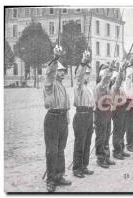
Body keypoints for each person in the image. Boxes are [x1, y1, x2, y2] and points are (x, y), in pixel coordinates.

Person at [43, 45, 71, 192]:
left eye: (63, 71)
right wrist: (55, 59)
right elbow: (49, 73)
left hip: (62, 120)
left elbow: (66, 106)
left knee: (61, 149)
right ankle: (51, 180)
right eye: (60, 71)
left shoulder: (63, 86)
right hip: (52, 119)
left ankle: (59, 176)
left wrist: (67, 117)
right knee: (52, 151)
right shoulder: (50, 84)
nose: (63, 73)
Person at [72, 50, 95, 178]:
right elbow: (78, 76)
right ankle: (76, 168)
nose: (87, 76)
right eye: (86, 74)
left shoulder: (89, 89)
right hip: (80, 116)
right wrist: (83, 62)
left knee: (87, 143)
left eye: (88, 74)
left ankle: (84, 166)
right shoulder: (78, 86)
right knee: (80, 143)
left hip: (89, 116)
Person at [94, 61, 116, 168]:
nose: (109, 79)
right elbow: (105, 81)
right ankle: (100, 158)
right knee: (101, 137)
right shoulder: (100, 86)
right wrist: (109, 70)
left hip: (107, 113)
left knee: (107, 136)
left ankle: (106, 156)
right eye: (107, 77)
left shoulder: (107, 87)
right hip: (100, 113)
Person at [111, 61, 131, 160]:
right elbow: (119, 81)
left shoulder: (121, 88)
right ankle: (116, 151)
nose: (118, 81)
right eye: (115, 79)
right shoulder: (113, 88)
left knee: (122, 130)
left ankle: (122, 149)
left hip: (123, 110)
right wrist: (121, 70)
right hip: (117, 111)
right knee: (117, 132)